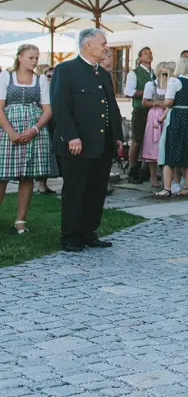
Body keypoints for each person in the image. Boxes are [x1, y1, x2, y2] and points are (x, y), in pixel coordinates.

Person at [49, 29, 124, 252]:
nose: (106, 47)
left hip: (102, 143)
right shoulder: (66, 70)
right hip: (77, 144)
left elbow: (112, 107)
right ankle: (71, 236)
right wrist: (71, 135)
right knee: (75, 190)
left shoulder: (102, 74)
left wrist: (117, 136)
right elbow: (61, 106)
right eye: (103, 43)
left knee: (96, 189)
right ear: (87, 45)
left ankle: (88, 231)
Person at [0, 44, 56, 235]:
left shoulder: (41, 80)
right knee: (2, 175)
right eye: (31, 57)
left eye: (36, 58)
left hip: (33, 131)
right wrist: (10, 132)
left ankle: (20, 220)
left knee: (27, 176)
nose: (35, 61)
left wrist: (34, 129)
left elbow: (48, 110)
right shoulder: (6, 77)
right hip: (9, 129)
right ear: (20, 57)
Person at [156, 56, 188, 198]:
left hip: (178, 117)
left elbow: (169, 102)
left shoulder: (174, 81)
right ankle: (187, 187)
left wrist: (167, 99)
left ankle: (166, 188)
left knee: (170, 151)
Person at [124, 47, 154, 182]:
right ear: (140, 58)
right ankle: (132, 169)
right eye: (146, 53)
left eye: (150, 53)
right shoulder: (134, 73)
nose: (149, 55)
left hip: (152, 110)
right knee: (137, 140)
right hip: (140, 109)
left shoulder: (154, 73)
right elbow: (128, 91)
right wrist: (146, 92)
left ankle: (146, 169)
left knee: (150, 140)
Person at [140, 61, 171, 189]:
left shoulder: (171, 84)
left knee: (167, 144)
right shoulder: (151, 85)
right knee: (153, 145)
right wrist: (158, 104)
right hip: (155, 115)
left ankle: (166, 176)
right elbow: (144, 102)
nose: (164, 74)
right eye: (163, 71)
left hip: (168, 114)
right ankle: (153, 176)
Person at [36, 65, 57, 194]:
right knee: (44, 153)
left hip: (56, 123)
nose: (51, 79)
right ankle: (41, 184)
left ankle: (45, 184)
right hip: (44, 123)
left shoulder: (58, 89)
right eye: (49, 76)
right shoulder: (41, 89)